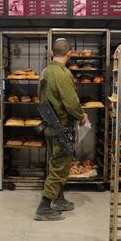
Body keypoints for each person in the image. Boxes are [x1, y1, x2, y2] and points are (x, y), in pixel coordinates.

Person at [35, 38, 88, 221]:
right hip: (61, 127)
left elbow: (41, 98)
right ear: (69, 53)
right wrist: (81, 115)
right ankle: (44, 208)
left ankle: (58, 199)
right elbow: (71, 102)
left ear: (52, 53)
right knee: (60, 166)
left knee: (55, 162)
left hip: (49, 125)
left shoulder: (45, 72)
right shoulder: (62, 74)